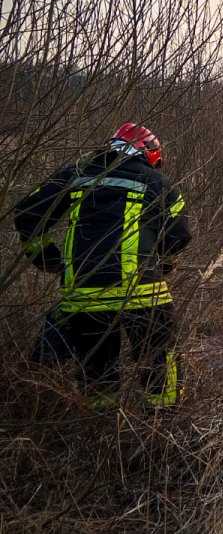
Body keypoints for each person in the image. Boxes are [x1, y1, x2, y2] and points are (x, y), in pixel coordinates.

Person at [15, 122, 191, 409]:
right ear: (146, 152)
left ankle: (99, 424)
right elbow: (180, 235)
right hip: (142, 294)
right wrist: (163, 262)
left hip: (84, 295)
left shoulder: (76, 174)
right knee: (159, 355)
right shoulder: (157, 183)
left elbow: (27, 213)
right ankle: (165, 423)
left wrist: (47, 258)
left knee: (97, 370)